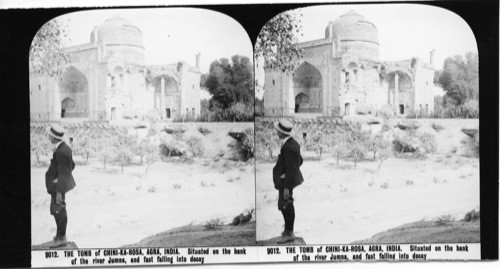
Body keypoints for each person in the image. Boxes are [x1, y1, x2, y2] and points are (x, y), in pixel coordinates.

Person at [272, 119, 303, 243]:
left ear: (282, 133)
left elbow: (292, 166)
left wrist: (286, 184)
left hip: (286, 183)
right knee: (285, 204)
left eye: (278, 131)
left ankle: (289, 233)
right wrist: (292, 171)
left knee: (286, 205)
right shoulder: (293, 143)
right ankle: (288, 230)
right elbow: (300, 161)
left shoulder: (288, 147)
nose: (276, 132)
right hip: (287, 180)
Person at [45, 123, 76, 247]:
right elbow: (71, 165)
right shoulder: (64, 147)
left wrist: (59, 188)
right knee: (57, 210)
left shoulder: (61, 151)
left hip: (58, 188)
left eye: (50, 136)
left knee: (59, 210)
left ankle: (61, 238)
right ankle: (59, 235)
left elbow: (65, 170)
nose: (48, 137)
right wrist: (63, 177)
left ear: (54, 138)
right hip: (59, 186)